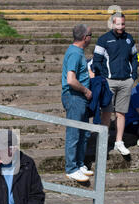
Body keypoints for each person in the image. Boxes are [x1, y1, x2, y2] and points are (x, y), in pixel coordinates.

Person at [93, 12, 138, 156]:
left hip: (126, 81)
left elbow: (135, 58)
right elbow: (96, 61)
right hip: (109, 82)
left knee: (121, 113)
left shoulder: (129, 39)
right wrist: (103, 79)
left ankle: (119, 142)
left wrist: (133, 77)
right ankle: (103, 141)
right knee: (106, 112)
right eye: (118, 24)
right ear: (112, 24)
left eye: (123, 24)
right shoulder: (103, 39)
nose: (120, 27)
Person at [61, 23, 94, 182]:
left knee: (84, 132)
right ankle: (71, 168)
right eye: (90, 36)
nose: (91, 39)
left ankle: (79, 164)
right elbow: (71, 80)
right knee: (74, 133)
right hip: (75, 97)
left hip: (80, 98)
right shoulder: (74, 53)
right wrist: (86, 90)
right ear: (84, 38)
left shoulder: (78, 52)